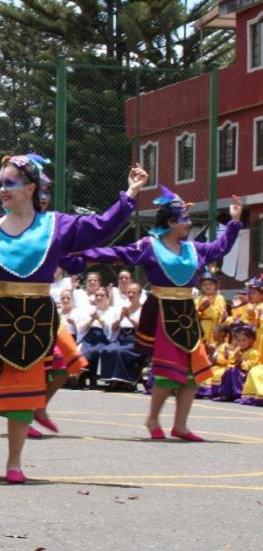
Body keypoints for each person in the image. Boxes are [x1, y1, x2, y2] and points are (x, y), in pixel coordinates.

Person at [0, 155, 144, 483]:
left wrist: (129, 193)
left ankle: (14, 463)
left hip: (33, 316)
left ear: (30, 187)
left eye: (11, 183)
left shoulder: (56, 226)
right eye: (1, 183)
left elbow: (100, 228)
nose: (3, 189)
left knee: (22, 393)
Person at [70, 185, 242, 442]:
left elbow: (220, 248)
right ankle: (153, 419)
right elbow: (117, 253)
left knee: (193, 372)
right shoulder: (150, 246)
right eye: (184, 219)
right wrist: (81, 254)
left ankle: (180, 425)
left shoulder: (194, 249)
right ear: (171, 222)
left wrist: (235, 222)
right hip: (162, 314)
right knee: (168, 372)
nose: (188, 223)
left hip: (186, 315)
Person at [97, 282, 143, 389]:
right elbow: (114, 329)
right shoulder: (122, 309)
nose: (131, 295)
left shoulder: (143, 310)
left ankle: (123, 380)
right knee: (106, 349)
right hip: (122, 338)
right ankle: (111, 378)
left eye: (134, 293)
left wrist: (130, 318)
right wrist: (121, 318)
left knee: (120, 352)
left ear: (139, 295)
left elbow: (141, 329)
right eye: (129, 292)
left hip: (136, 340)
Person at [73, 287, 118, 388]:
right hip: (90, 337)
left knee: (101, 351)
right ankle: (80, 376)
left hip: (104, 338)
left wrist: (100, 319)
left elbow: (112, 329)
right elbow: (81, 327)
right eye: (97, 295)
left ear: (107, 298)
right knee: (83, 353)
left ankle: (98, 377)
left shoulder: (113, 311)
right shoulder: (90, 310)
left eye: (102, 295)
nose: (99, 297)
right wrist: (91, 320)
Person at [211, 322, 257, 402]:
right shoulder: (237, 350)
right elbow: (231, 361)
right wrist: (231, 355)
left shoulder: (253, 352)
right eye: (239, 340)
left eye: (244, 340)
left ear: (251, 340)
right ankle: (225, 394)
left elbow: (250, 366)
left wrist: (240, 360)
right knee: (229, 371)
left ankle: (238, 394)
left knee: (234, 371)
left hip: (246, 374)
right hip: (236, 371)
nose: (241, 343)